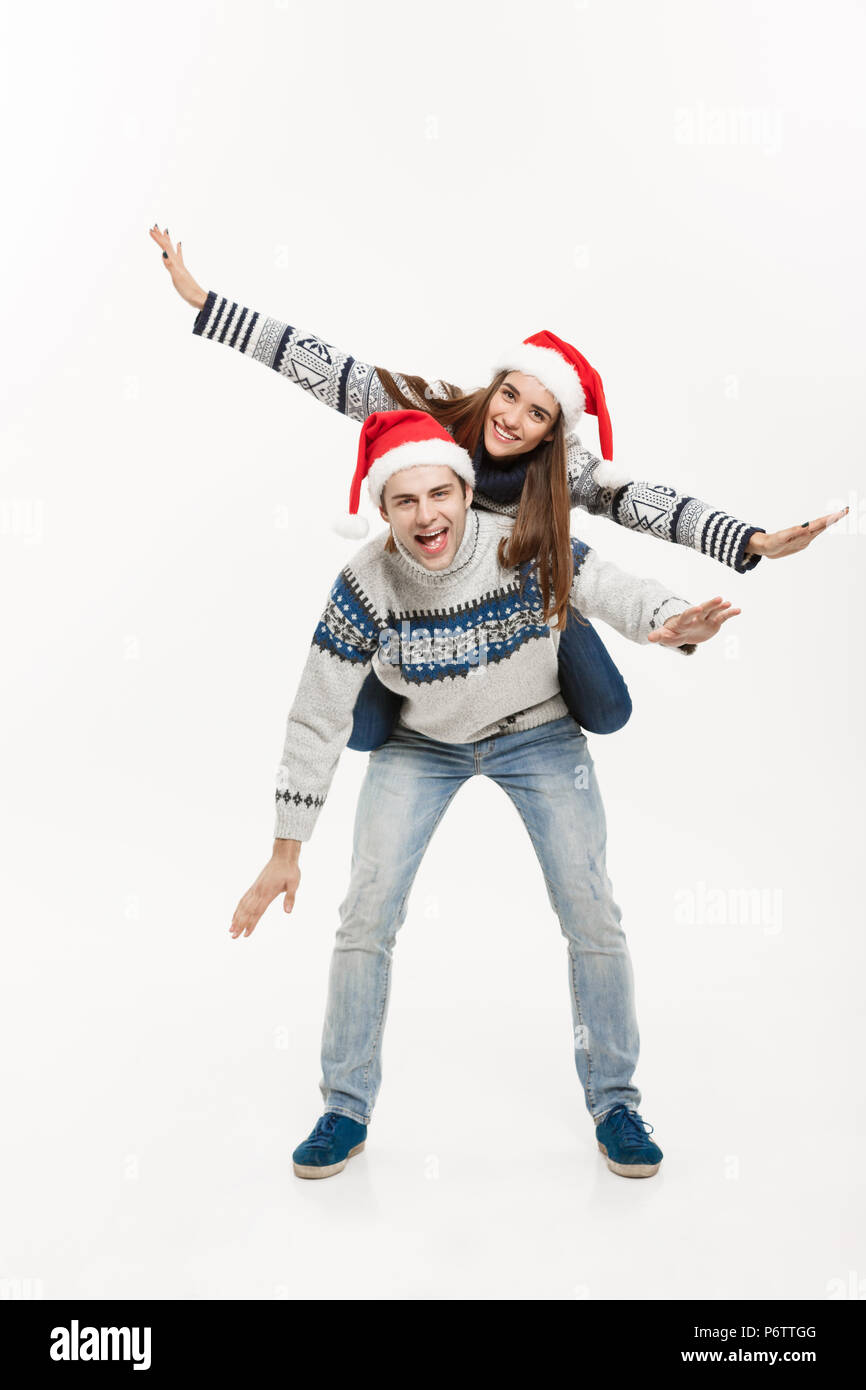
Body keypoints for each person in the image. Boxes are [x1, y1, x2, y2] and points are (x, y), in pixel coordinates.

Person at [229, 410, 740, 1182]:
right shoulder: (365, 583)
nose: (426, 515)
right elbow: (317, 711)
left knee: (590, 909)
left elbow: (608, 585)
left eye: (440, 494)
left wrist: (673, 619)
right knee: (366, 912)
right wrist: (284, 849)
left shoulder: (521, 543)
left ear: (467, 492)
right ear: (383, 509)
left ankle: (616, 1104)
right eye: (406, 501)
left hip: (538, 731)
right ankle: (345, 1107)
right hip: (419, 742)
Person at [148, 226, 845, 746]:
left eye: (536, 413)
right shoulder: (440, 411)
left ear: (551, 431)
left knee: (608, 711)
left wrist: (750, 541)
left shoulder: (562, 471)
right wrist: (210, 304)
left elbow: (646, 504)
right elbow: (339, 374)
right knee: (363, 733)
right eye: (510, 395)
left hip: (521, 600)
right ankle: (424, 689)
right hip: (427, 602)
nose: (512, 419)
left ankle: (519, 692)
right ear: (495, 386)